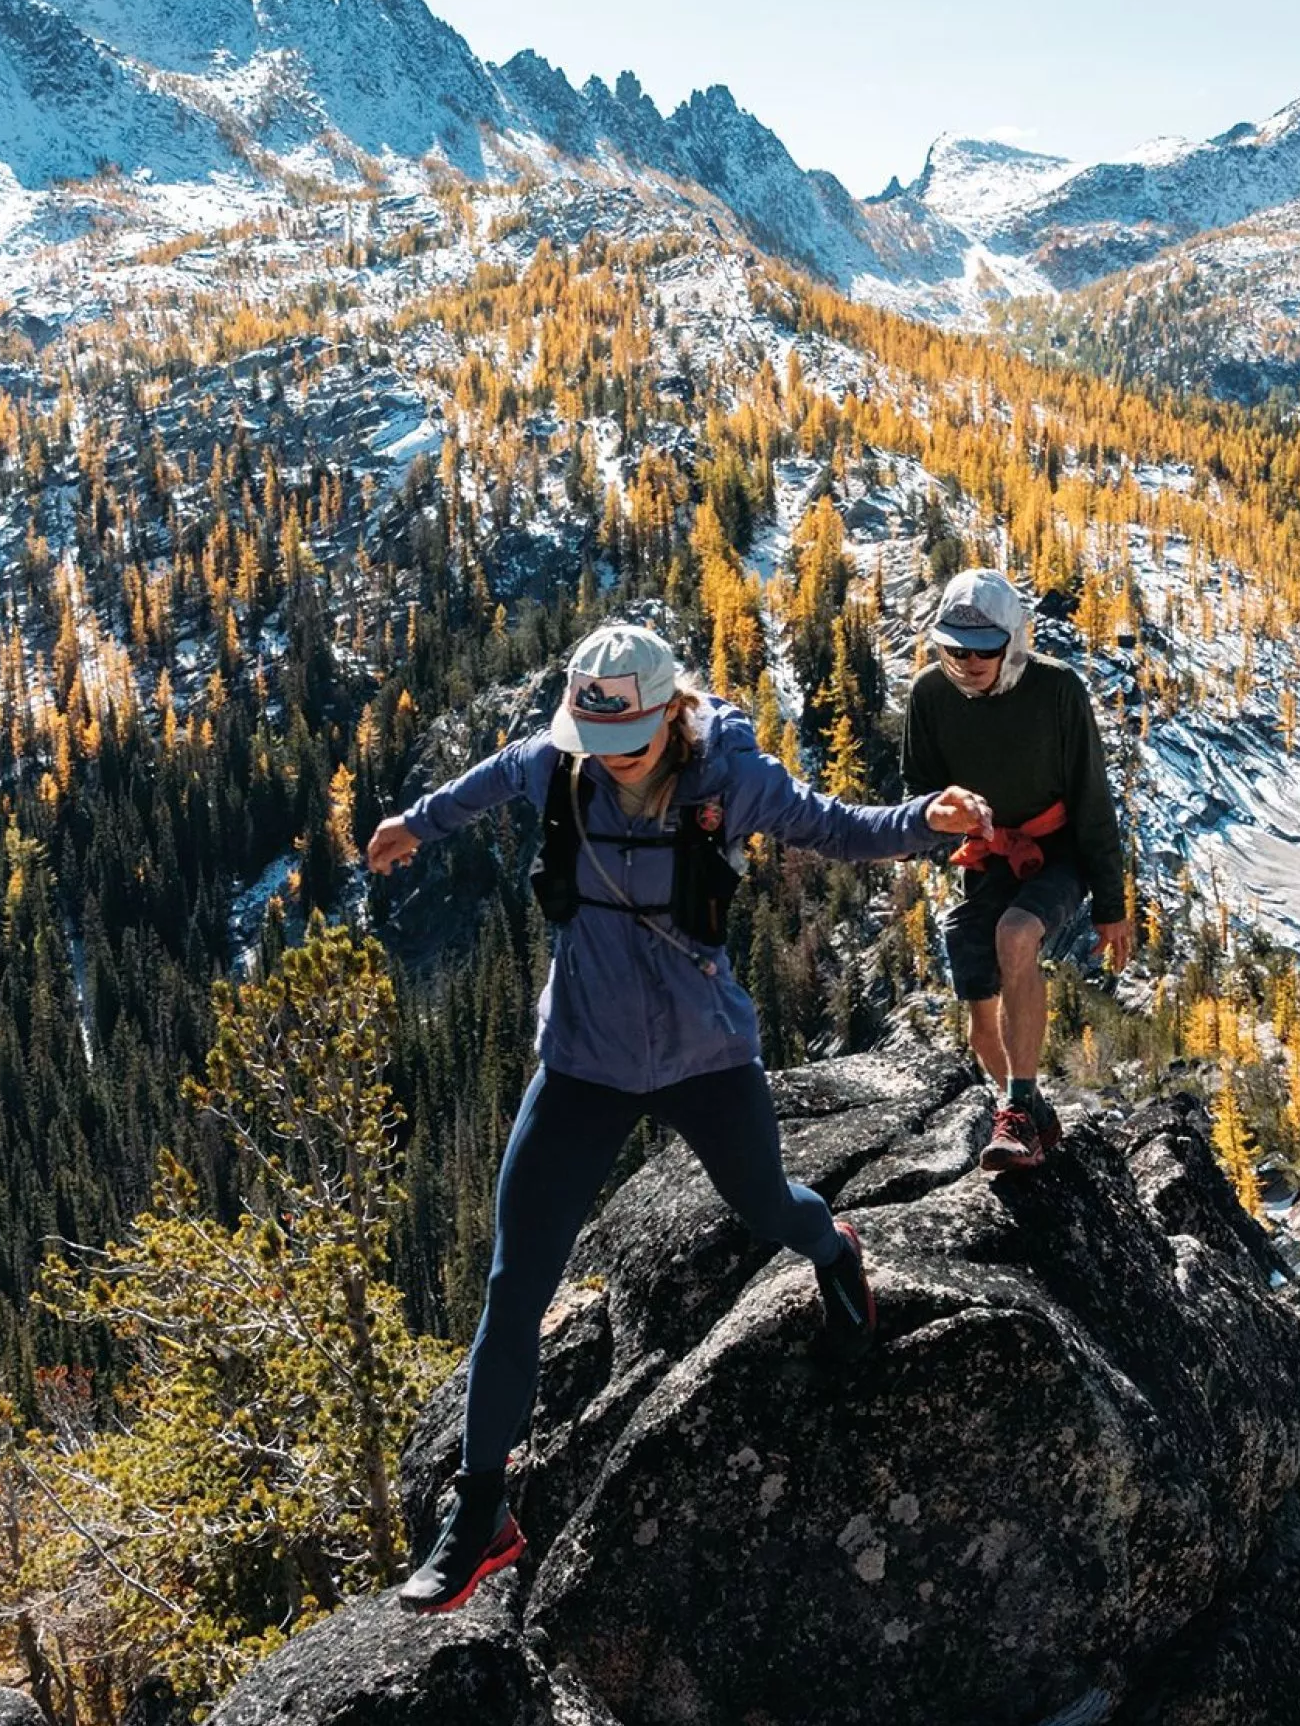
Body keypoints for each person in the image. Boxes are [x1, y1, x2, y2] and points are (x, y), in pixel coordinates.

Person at [362, 622, 989, 1615]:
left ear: (671, 717)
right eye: (593, 745)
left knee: (769, 1212)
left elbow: (832, 826)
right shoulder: (560, 766)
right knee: (515, 1282)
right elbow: (485, 783)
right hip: (582, 1066)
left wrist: (926, 818)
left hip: (704, 1055)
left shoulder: (728, 775)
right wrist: (412, 824)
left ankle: (834, 1248)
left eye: (627, 747)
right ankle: (482, 1514)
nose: (606, 765)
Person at [903, 568, 1132, 1175]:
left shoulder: (1057, 691)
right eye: (955, 647)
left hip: (1060, 852)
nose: (969, 661)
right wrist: (940, 817)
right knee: (983, 1025)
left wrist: (1110, 904)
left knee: (1016, 935)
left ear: (1012, 642)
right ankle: (1033, 1113)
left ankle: (1018, 1114)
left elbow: (1091, 796)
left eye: (983, 649)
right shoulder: (930, 694)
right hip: (991, 855)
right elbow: (919, 790)